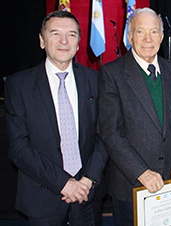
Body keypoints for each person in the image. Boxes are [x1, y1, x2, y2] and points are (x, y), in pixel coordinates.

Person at [5, 11, 107, 226]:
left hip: (87, 195)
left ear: (78, 43)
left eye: (71, 35)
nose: (63, 41)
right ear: (42, 41)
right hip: (42, 198)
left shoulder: (97, 81)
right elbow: (18, 148)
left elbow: (105, 137)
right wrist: (64, 183)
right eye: (55, 34)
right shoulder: (19, 86)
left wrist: (87, 180)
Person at [98, 7, 171, 225]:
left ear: (162, 37)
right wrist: (140, 171)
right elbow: (110, 132)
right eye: (141, 31)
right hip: (131, 186)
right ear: (130, 36)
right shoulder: (112, 74)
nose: (148, 39)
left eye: (154, 32)